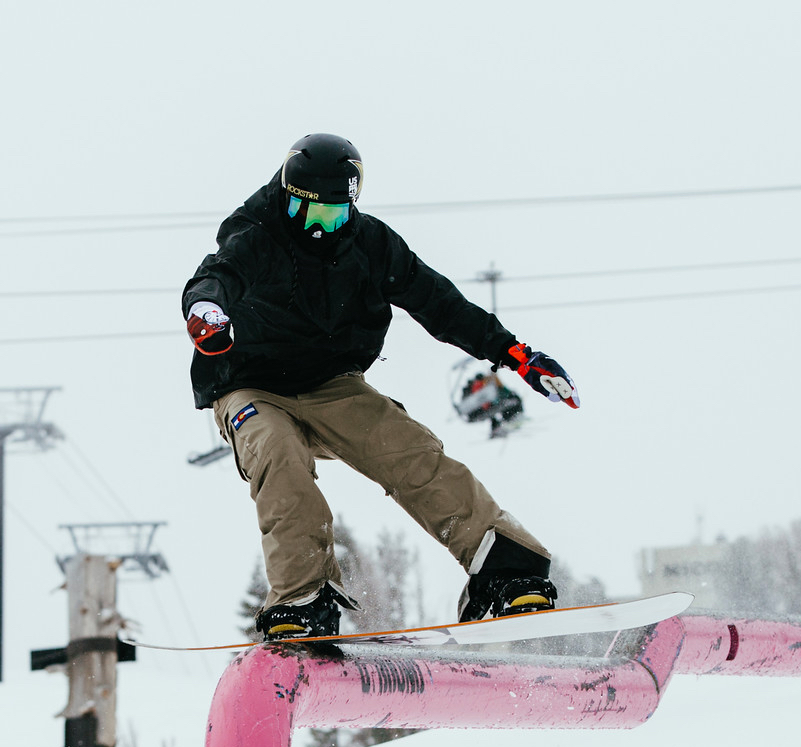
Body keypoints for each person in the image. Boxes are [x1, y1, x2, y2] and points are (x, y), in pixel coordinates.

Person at [182, 133, 580, 640]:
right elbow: (214, 278)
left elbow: (439, 303)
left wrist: (515, 354)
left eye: (336, 215)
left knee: (408, 449)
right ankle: (302, 598)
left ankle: (502, 567)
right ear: (288, 197)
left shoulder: (370, 244)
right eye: (311, 216)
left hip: (333, 386)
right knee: (278, 454)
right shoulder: (257, 235)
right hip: (250, 387)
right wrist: (205, 311)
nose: (324, 229)